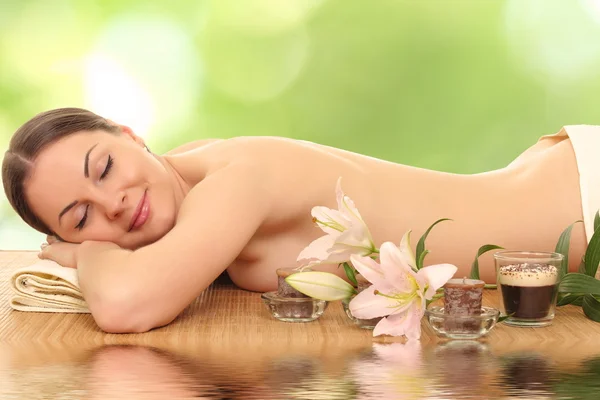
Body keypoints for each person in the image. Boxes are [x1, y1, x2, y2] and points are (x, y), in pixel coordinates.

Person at [2, 108, 589, 333]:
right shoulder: (191, 187)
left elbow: (128, 305)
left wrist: (87, 252)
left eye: (104, 168)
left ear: (132, 137)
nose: (116, 204)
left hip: (582, 201)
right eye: (82, 216)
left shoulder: (237, 178)